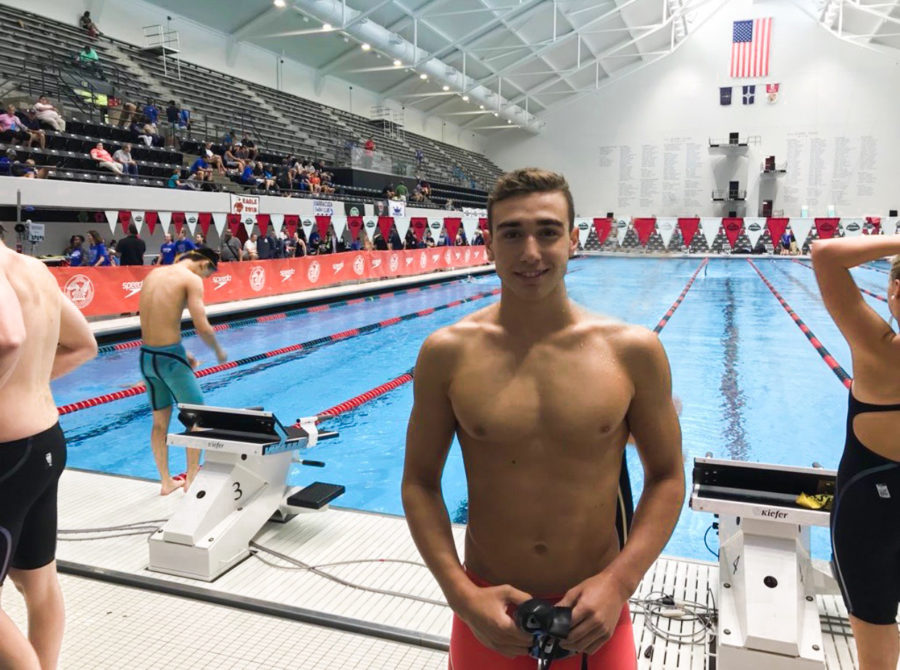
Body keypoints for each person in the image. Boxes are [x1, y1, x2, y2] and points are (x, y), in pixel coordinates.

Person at [402, 168, 684, 669]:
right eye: (512, 233)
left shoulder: (632, 352)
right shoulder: (446, 354)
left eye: (548, 232)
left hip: (595, 610)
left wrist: (619, 583)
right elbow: (420, 483)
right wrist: (461, 596)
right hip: (487, 606)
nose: (530, 252)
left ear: (574, 240)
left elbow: (666, 477)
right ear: (488, 244)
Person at [0, 224, 97, 670]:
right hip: (45, 444)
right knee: (37, 584)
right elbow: (84, 345)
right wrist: (30, 383)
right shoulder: (35, 269)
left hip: (5, 455)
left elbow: (7, 339)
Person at [811, 235, 900, 670]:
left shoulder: (879, 350)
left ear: (894, 291)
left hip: (870, 509)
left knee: (875, 634)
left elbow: (825, 255)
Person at [138, 248, 227, 495]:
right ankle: (191, 479)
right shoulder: (191, 279)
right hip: (170, 359)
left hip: (147, 357)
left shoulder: (154, 275)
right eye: (210, 273)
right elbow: (202, 325)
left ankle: (166, 482)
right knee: (198, 417)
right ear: (204, 264)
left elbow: (150, 318)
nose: (207, 279)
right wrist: (218, 350)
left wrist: (180, 351)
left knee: (159, 423)